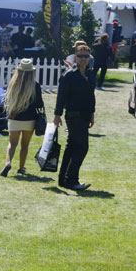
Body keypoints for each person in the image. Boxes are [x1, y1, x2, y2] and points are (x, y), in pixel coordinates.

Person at [54, 46, 96, 191]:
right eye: (80, 56)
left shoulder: (90, 74)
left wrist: (92, 113)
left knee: (71, 147)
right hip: (73, 115)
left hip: (85, 115)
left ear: (89, 58)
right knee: (82, 147)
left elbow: (91, 96)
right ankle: (72, 180)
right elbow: (61, 96)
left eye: (86, 56)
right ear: (75, 58)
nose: (83, 59)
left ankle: (63, 180)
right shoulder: (69, 75)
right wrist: (57, 115)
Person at [0, 59, 45, 176]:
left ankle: (8, 163)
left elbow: (7, 100)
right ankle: (21, 167)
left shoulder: (13, 84)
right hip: (30, 119)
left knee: (12, 144)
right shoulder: (35, 86)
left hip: (14, 117)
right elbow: (40, 104)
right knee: (24, 145)